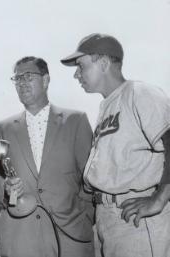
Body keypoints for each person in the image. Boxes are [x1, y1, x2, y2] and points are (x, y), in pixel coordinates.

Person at [61, 33, 170, 257]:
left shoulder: (139, 93)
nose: (76, 74)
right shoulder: (108, 105)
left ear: (103, 63)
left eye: (81, 66)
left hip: (135, 218)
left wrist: (159, 199)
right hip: (110, 217)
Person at [0, 56, 95, 257]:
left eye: (28, 76)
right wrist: (5, 189)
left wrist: (86, 217)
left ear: (45, 80)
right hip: (20, 237)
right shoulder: (3, 128)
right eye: (17, 79)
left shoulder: (76, 121)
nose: (22, 83)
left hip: (70, 236)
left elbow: (91, 175)